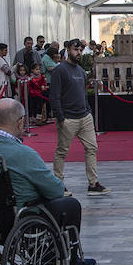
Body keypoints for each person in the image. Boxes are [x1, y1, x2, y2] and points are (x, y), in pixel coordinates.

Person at [0, 98, 97, 265]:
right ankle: (67, 260)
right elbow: (55, 191)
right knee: (69, 205)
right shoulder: (23, 153)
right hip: (16, 217)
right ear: (20, 123)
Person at [50, 40, 110, 196]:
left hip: (84, 117)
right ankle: (57, 185)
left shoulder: (81, 71)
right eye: (75, 49)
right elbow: (54, 96)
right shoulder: (59, 71)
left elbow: (83, 93)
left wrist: (88, 111)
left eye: (81, 50)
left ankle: (93, 184)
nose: (79, 52)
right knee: (62, 152)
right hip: (67, 119)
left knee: (92, 148)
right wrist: (60, 117)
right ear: (68, 50)